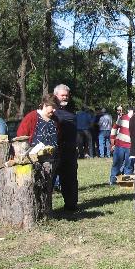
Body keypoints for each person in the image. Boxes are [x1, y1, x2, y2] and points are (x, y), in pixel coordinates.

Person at [52, 84, 79, 212]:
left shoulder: (71, 110)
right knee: (49, 180)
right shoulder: (51, 110)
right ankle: (46, 207)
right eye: (63, 95)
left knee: (70, 179)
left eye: (67, 95)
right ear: (55, 95)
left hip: (70, 151)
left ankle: (71, 205)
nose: (65, 97)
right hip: (54, 151)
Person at [110, 108, 135, 184]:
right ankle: (113, 181)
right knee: (117, 163)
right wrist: (112, 140)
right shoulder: (123, 118)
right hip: (120, 145)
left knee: (129, 165)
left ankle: (126, 183)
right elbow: (114, 128)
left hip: (131, 146)